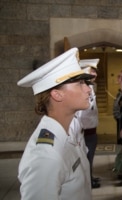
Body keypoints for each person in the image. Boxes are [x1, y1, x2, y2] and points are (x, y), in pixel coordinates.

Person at [17, 48, 94, 200]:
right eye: (79, 83)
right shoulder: (46, 157)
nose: (88, 90)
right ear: (57, 94)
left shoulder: (69, 133)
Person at [77, 58, 101, 189]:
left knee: (89, 158)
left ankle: (89, 177)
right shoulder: (81, 89)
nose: (95, 74)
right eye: (92, 71)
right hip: (84, 132)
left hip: (91, 130)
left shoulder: (90, 87)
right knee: (85, 158)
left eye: (95, 71)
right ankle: (87, 181)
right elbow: (79, 114)